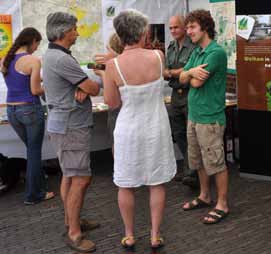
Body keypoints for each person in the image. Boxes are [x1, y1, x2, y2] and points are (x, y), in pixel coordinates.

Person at [101, 9, 176, 251]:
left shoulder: (112, 66)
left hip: (128, 129)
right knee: (157, 183)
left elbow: (112, 103)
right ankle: (155, 235)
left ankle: (130, 235)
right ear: (143, 32)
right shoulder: (158, 56)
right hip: (156, 126)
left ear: (120, 35)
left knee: (126, 184)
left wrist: (105, 75)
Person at [43, 12, 101, 253]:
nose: (77, 33)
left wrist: (83, 86)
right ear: (63, 32)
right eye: (75, 29)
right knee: (80, 178)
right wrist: (86, 86)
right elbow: (94, 87)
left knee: (69, 175)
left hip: (64, 123)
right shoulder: (62, 59)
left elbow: (85, 86)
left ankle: (72, 222)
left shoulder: (54, 55)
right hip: (71, 127)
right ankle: (75, 234)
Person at [179, 9, 230, 224]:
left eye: (192, 27)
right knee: (197, 161)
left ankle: (222, 204)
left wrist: (189, 75)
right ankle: (204, 196)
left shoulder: (215, 52)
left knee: (216, 163)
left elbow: (196, 83)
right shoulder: (197, 52)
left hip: (210, 118)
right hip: (194, 116)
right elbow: (182, 77)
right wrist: (190, 72)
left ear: (205, 27)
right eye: (187, 27)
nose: (187, 31)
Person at [1, 27, 55, 205]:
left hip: (12, 111)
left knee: (31, 151)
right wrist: (50, 88)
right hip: (30, 109)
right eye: (37, 44)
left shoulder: (5, 60)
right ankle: (34, 195)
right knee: (33, 152)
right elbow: (35, 90)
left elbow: (19, 82)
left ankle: (38, 186)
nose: (37, 48)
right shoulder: (32, 60)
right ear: (31, 41)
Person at [163, 15, 196, 184]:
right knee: (179, 133)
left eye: (176, 27)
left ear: (184, 27)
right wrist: (176, 72)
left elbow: (189, 69)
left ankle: (192, 172)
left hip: (191, 93)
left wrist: (173, 72)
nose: (173, 31)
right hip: (176, 94)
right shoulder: (171, 47)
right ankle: (189, 168)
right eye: (171, 28)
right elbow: (165, 71)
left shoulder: (193, 46)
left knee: (191, 134)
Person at [94, 33, 124, 151]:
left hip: (118, 112)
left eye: (108, 50)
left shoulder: (116, 67)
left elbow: (110, 98)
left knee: (117, 147)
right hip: (118, 112)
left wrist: (103, 73)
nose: (106, 54)